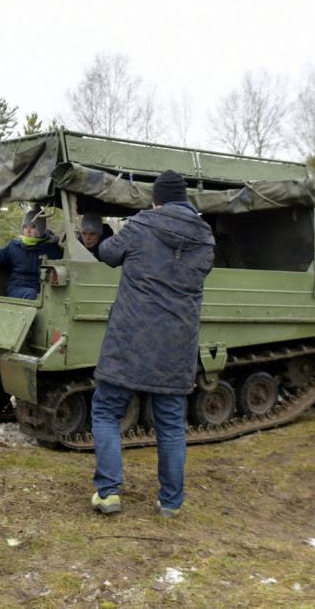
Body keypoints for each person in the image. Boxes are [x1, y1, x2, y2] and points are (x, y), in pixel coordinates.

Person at [89, 170, 214, 518]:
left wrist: (113, 232)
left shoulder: (142, 226)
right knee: (172, 425)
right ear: (185, 200)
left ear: (156, 200)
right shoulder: (205, 238)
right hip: (177, 346)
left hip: (130, 339)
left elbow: (109, 253)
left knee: (106, 412)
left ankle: (109, 493)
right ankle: (171, 503)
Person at [0, 207, 63, 299]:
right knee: (31, 294)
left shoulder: (51, 249)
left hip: (43, 292)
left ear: (41, 229)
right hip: (17, 289)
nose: (28, 231)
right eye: (25, 227)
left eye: (32, 227)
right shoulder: (15, 247)